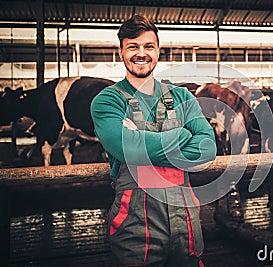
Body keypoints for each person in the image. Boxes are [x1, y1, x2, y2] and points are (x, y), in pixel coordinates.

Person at [90, 14, 216, 266]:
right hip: (135, 224)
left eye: (149, 46)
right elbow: (127, 147)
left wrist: (141, 140)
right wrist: (181, 135)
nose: (141, 53)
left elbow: (206, 148)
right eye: (133, 47)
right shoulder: (107, 101)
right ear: (121, 52)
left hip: (186, 220)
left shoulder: (182, 97)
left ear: (158, 50)